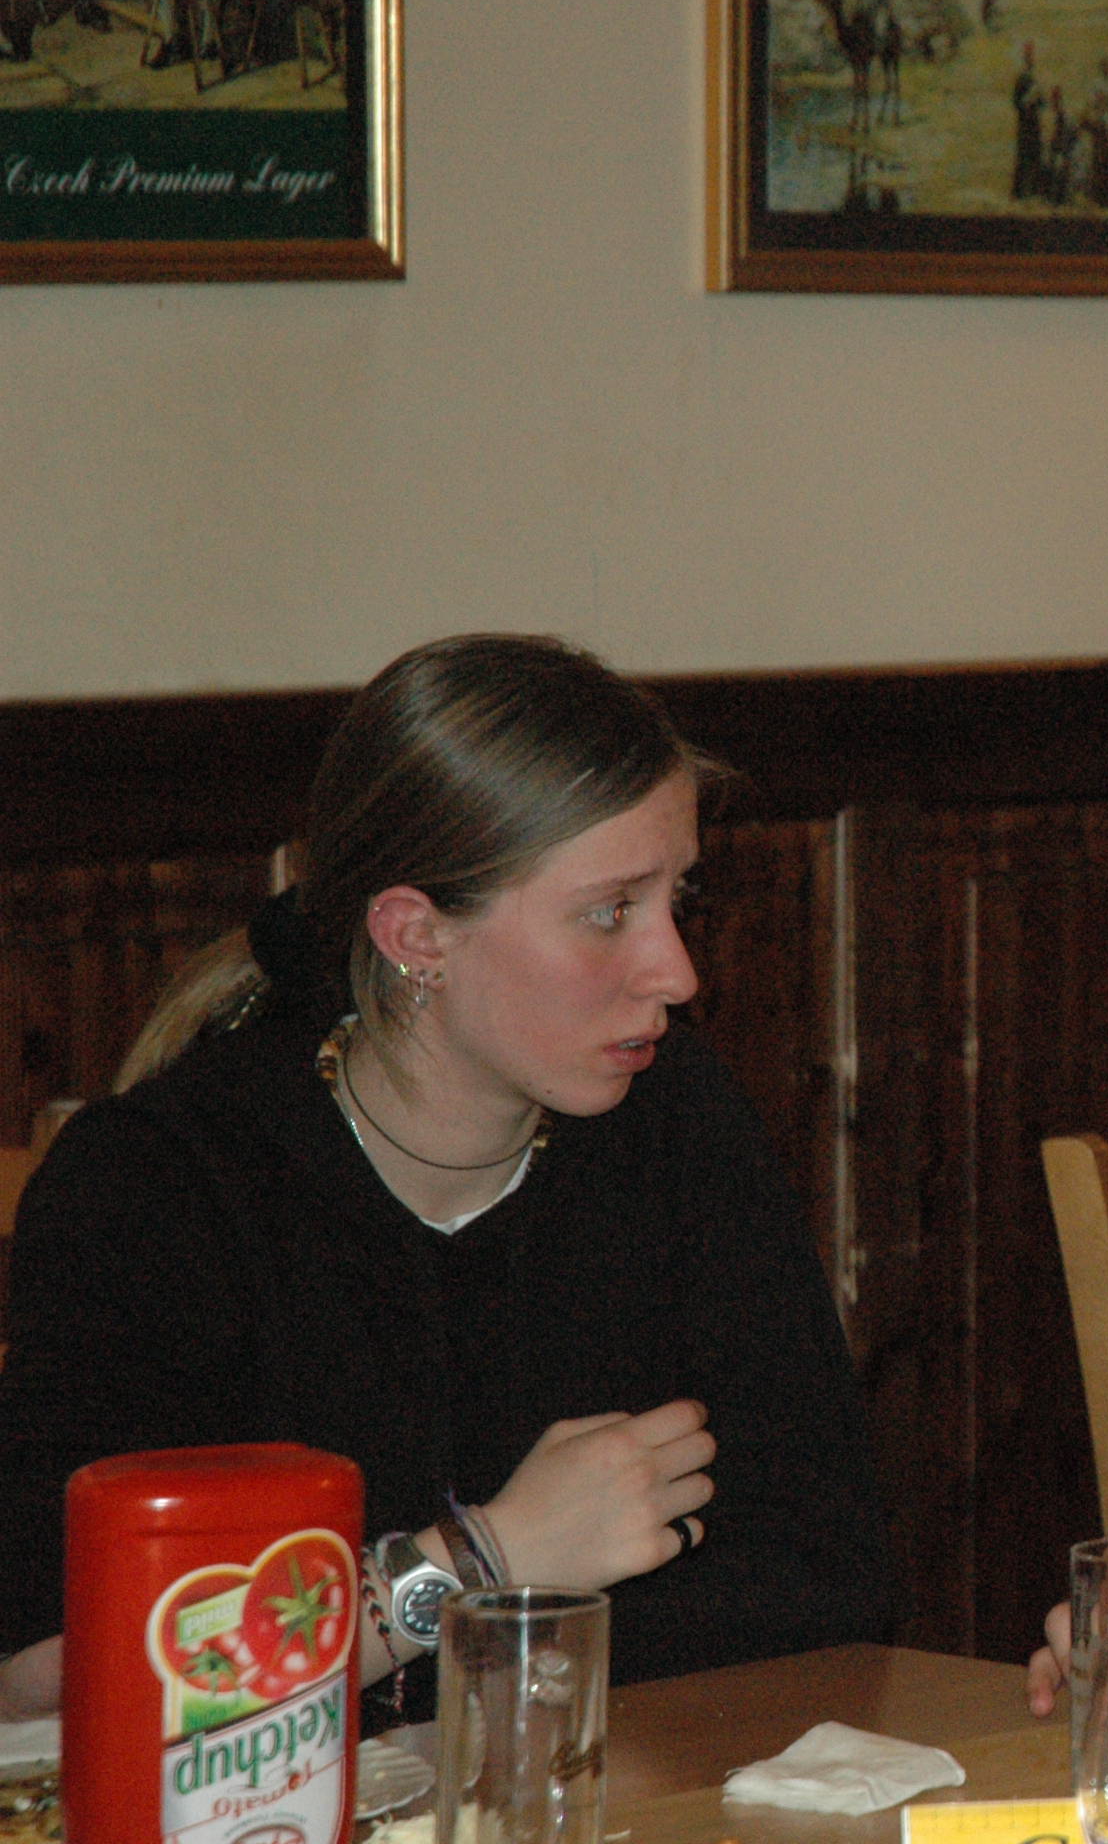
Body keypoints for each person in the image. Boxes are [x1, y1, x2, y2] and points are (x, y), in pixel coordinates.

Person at [0, 635, 890, 1721]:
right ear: (416, 934)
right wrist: (483, 1560)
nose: (676, 970)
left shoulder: (675, 1122)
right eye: (610, 911)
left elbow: (828, 1579)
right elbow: (59, 1679)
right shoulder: (158, 1188)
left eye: (676, 897)